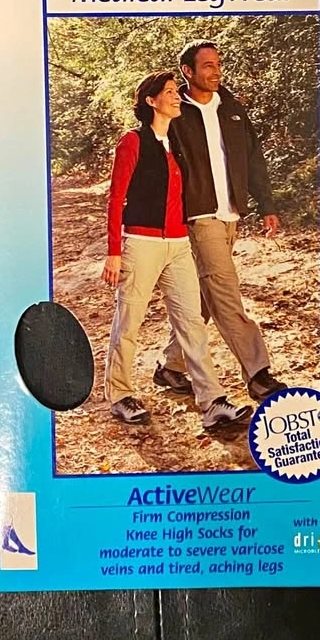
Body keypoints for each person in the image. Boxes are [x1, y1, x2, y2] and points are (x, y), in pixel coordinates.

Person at [101, 70, 252, 429]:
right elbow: (116, 198)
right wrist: (113, 251)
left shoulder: (177, 143)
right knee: (129, 322)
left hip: (179, 244)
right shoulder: (133, 142)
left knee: (192, 322)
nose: (176, 96)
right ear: (151, 101)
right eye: (169, 92)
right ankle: (120, 395)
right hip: (142, 243)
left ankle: (212, 402)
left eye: (175, 91)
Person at [165, 41, 287, 403]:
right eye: (207, 65)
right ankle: (257, 373)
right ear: (188, 71)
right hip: (199, 215)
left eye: (218, 64)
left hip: (231, 212)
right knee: (225, 292)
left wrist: (266, 204)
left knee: (207, 295)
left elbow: (253, 158)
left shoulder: (232, 109)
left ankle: (170, 365)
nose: (215, 71)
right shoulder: (174, 112)